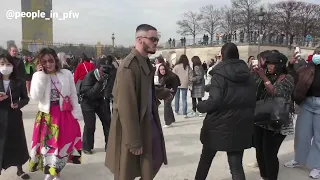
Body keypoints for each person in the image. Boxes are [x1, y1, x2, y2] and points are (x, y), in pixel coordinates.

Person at [105, 24, 172, 180]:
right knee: (126, 172)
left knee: (156, 159)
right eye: (153, 39)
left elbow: (145, 89)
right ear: (140, 39)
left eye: (157, 39)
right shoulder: (128, 66)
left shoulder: (145, 62)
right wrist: (134, 141)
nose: (156, 42)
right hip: (133, 128)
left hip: (148, 124)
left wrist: (162, 92)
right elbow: (126, 106)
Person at [195, 43, 256, 180]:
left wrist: (201, 106)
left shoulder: (219, 75)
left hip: (218, 125)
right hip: (241, 124)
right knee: (236, 166)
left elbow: (214, 101)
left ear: (222, 56)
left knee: (206, 159)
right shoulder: (248, 74)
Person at [29, 48, 83, 180]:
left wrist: (76, 113)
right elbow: (35, 97)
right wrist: (41, 76)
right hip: (47, 116)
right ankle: (50, 171)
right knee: (48, 146)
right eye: (44, 61)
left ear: (55, 60)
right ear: (40, 63)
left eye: (51, 60)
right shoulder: (38, 76)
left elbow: (73, 95)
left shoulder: (66, 74)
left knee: (62, 145)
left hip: (64, 114)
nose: (48, 64)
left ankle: (57, 172)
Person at [253, 51, 294, 180]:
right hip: (262, 119)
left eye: (272, 64)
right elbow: (256, 92)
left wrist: (264, 78)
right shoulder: (267, 75)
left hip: (277, 122)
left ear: (280, 65)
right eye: (268, 64)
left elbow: (277, 93)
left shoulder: (287, 78)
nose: (269, 66)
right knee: (259, 151)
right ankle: (264, 176)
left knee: (269, 153)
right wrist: (256, 76)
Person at [284, 49, 320, 179]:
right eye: (317, 53)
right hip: (307, 103)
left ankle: (317, 166)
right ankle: (299, 159)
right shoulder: (308, 66)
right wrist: (291, 65)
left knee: (318, 138)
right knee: (301, 134)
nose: (318, 56)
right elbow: (294, 77)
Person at [0, 54, 30, 179]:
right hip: (1, 116)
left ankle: (19, 169)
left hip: (14, 116)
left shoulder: (19, 81)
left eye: (8, 64)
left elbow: (25, 98)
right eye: (2, 64)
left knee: (17, 142)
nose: (5, 67)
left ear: (13, 65)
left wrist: (18, 104)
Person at [79, 57, 115, 154]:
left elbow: (110, 88)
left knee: (108, 122)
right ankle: (87, 147)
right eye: (104, 68)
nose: (106, 70)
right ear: (98, 68)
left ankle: (110, 146)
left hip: (100, 100)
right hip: (87, 101)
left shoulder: (110, 75)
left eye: (108, 68)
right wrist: (100, 82)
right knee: (90, 124)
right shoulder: (89, 77)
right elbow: (90, 93)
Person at [157, 63, 180, 128]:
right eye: (161, 70)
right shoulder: (162, 76)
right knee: (168, 105)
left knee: (166, 105)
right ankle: (172, 119)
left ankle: (168, 122)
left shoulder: (171, 75)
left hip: (171, 92)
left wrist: (172, 90)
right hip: (167, 91)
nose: (162, 71)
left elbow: (176, 82)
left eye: (163, 69)